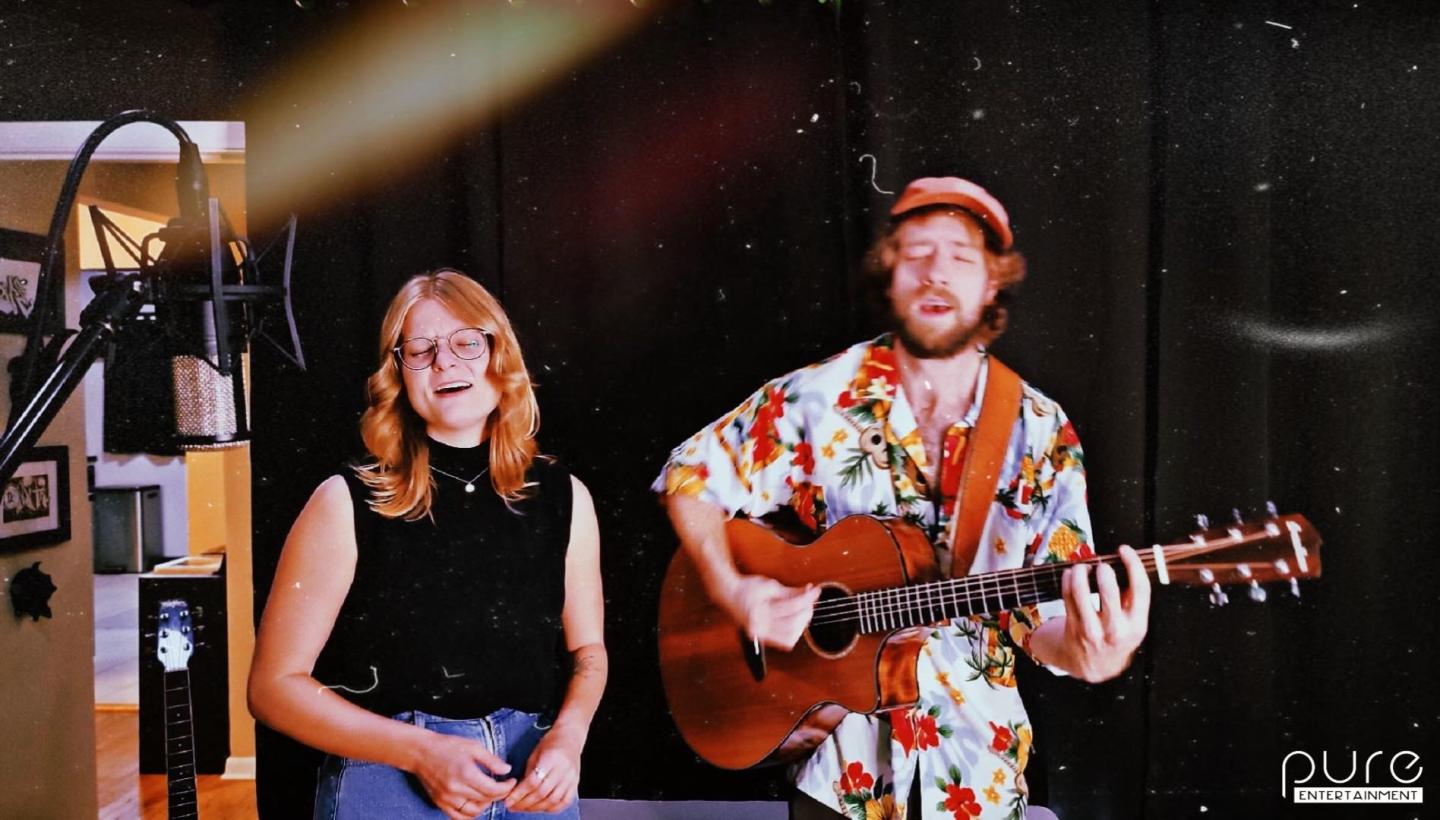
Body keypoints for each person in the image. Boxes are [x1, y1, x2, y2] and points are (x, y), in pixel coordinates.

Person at [654, 177, 1150, 819]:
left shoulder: (1039, 429)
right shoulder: (817, 397)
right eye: (917, 253)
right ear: (890, 275)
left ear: (992, 284)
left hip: (978, 771)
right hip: (838, 774)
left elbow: (1041, 617)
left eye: (961, 256)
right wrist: (733, 589)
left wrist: (1089, 654)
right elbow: (689, 474)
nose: (937, 271)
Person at [250, 269, 606, 820]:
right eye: (420, 349)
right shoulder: (344, 501)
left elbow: (589, 653)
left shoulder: (565, 497)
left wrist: (570, 738)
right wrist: (422, 752)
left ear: (499, 355)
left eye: (467, 342)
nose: (445, 363)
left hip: (531, 778)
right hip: (388, 781)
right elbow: (273, 689)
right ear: (399, 374)